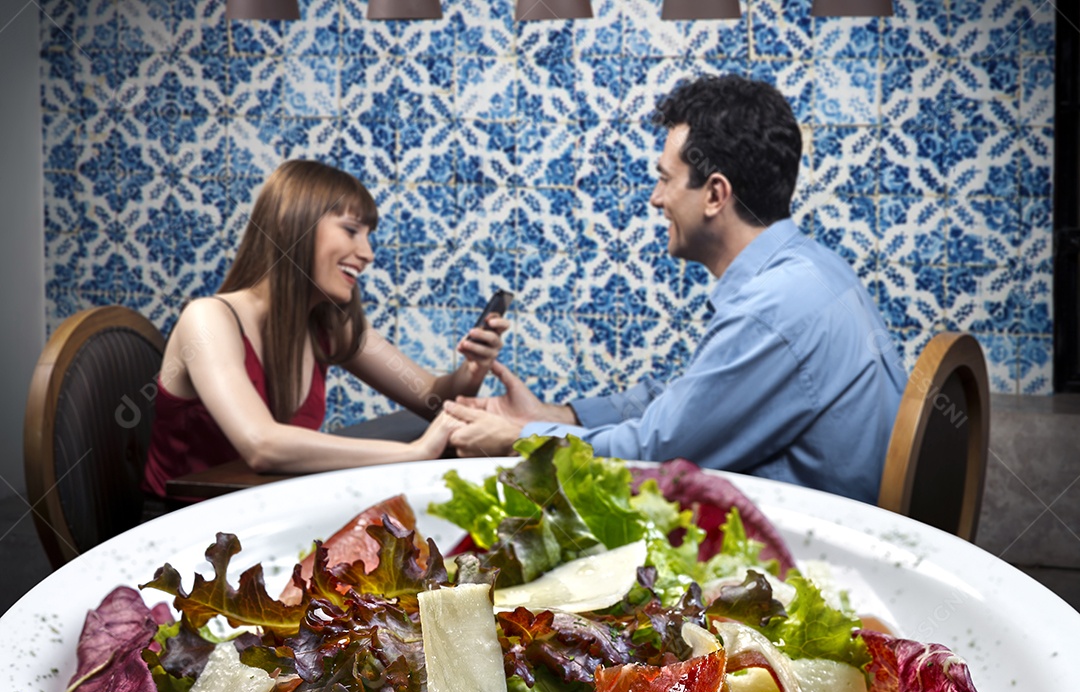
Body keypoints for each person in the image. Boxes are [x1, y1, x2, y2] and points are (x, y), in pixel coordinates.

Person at [441, 74, 907, 505]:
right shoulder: (811, 271)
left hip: (811, 545)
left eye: (665, 179)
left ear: (715, 194)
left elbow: (654, 457)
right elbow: (694, 402)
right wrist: (556, 416)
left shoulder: (774, 308)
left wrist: (519, 441)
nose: (656, 198)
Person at [143, 159, 508, 501]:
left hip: (267, 511)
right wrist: (414, 453)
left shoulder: (327, 325)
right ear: (291, 225)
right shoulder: (209, 319)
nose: (367, 253)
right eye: (351, 230)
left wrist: (472, 369)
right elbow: (261, 445)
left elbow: (431, 399)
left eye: (368, 235)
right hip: (182, 527)